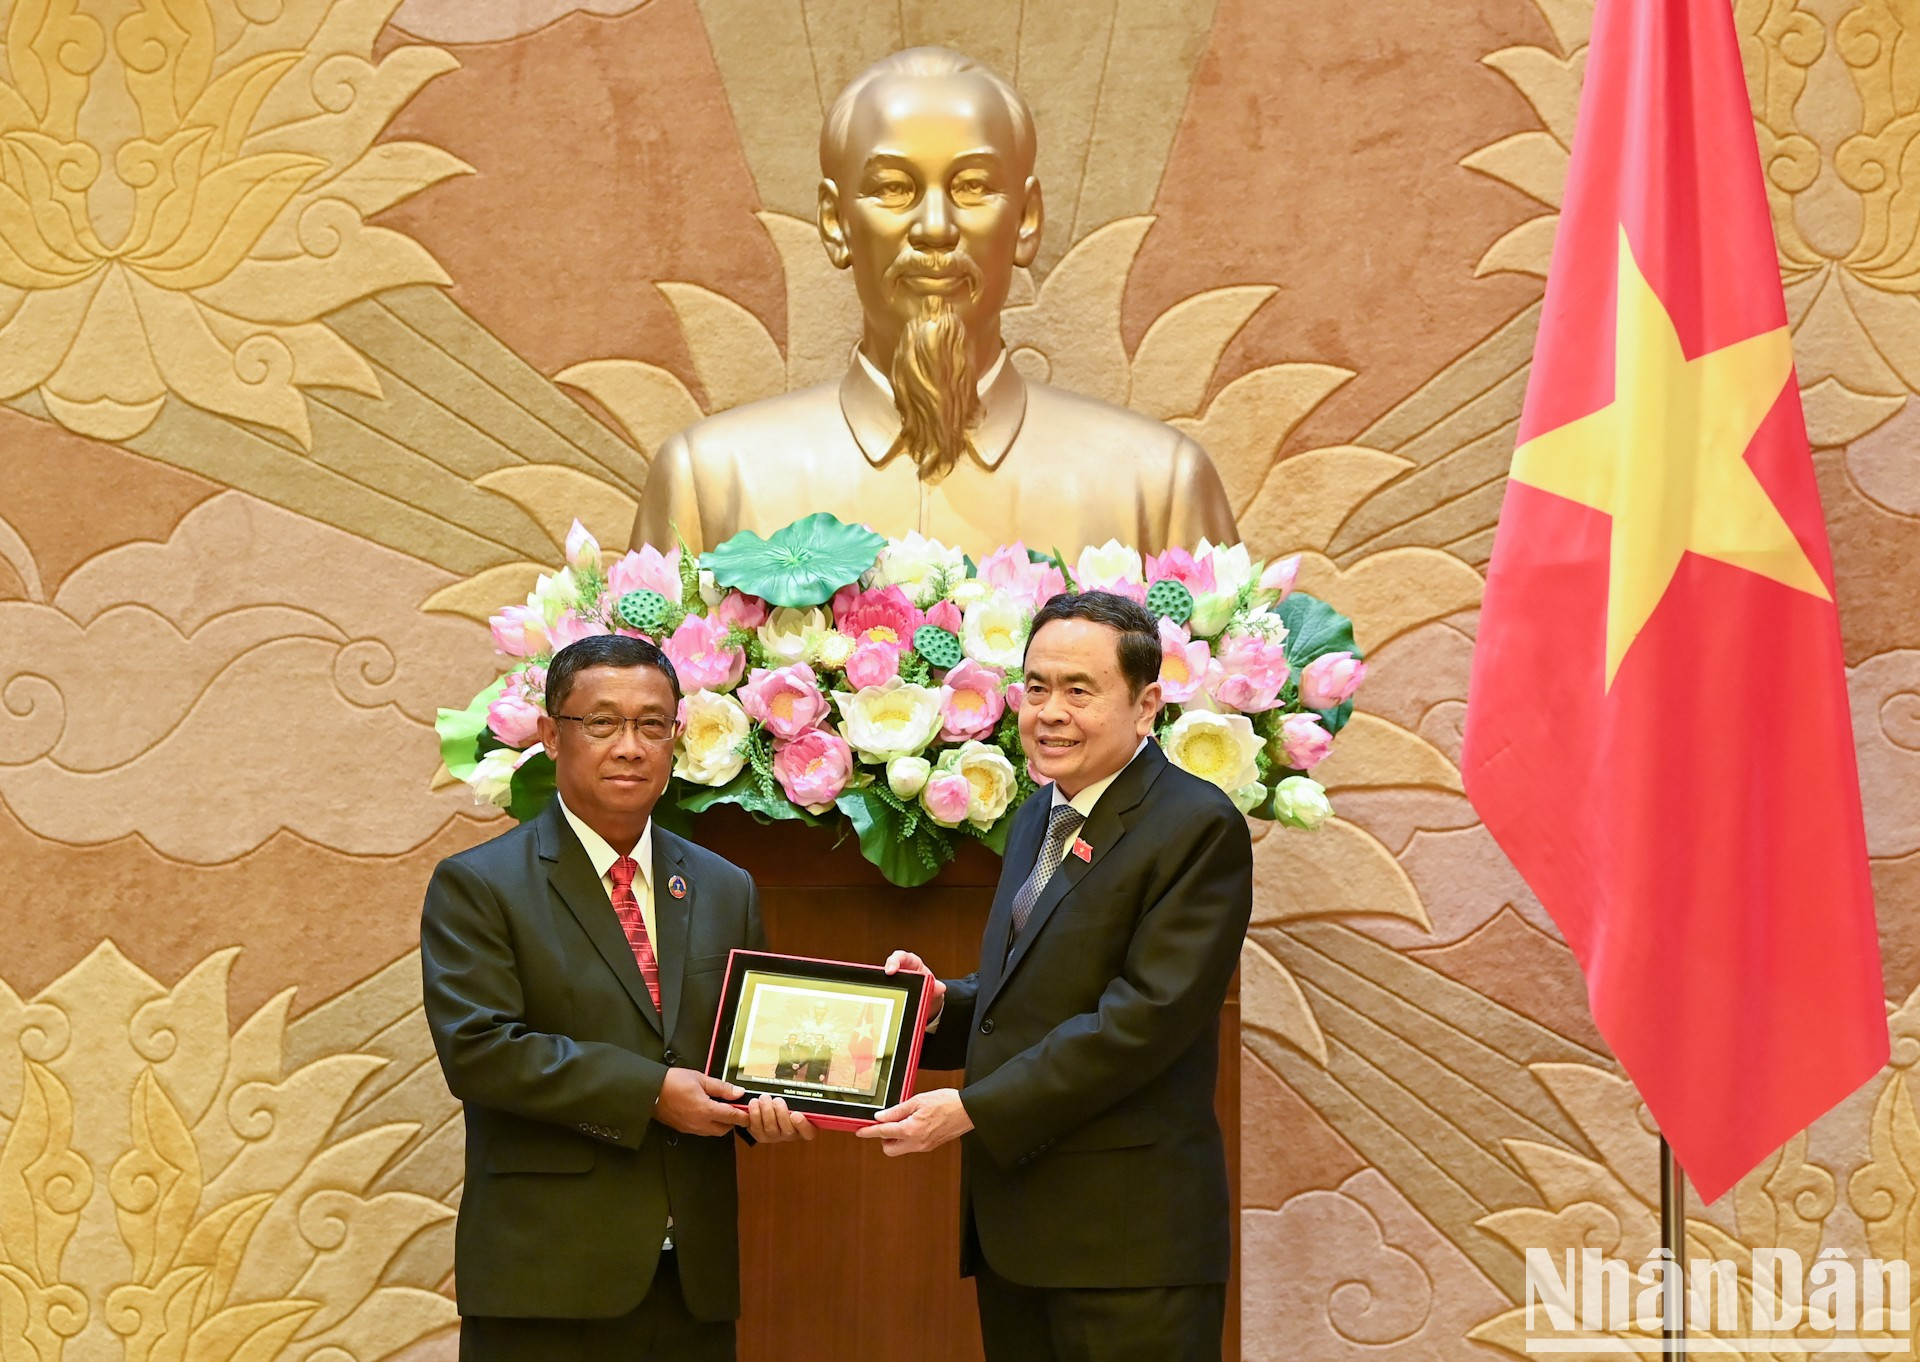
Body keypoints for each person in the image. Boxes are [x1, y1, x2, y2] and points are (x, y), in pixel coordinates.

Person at [630, 47, 1236, 559]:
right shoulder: (712, 482)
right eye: (893, 189)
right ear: (836, 223)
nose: (936, 227)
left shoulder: (1157, 489)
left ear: (1025, 220)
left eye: (973, 187)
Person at [866, 592, 1254, 1362]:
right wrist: (942, 1004)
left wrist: (973, 1108)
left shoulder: (1195, 825)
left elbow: (1139, 1022)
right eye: (1036, 687)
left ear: (1147, 705)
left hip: (1128, 1247)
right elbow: (1031, 996)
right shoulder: (1041, 812)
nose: (1049, 712)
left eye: (1079, 690)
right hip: (1022, 1234)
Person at [421, 634, 815, 1361]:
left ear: (676, 738)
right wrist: (651, 1092)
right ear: (550, 736)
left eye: (652, 724)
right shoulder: (479, 885)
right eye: (602, 723)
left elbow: (744, 1046)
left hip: (690, 1283)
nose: (630, 746)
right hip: (544, 1280)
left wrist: (780, 1102)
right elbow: (479, 1051)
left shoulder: (725, 886)